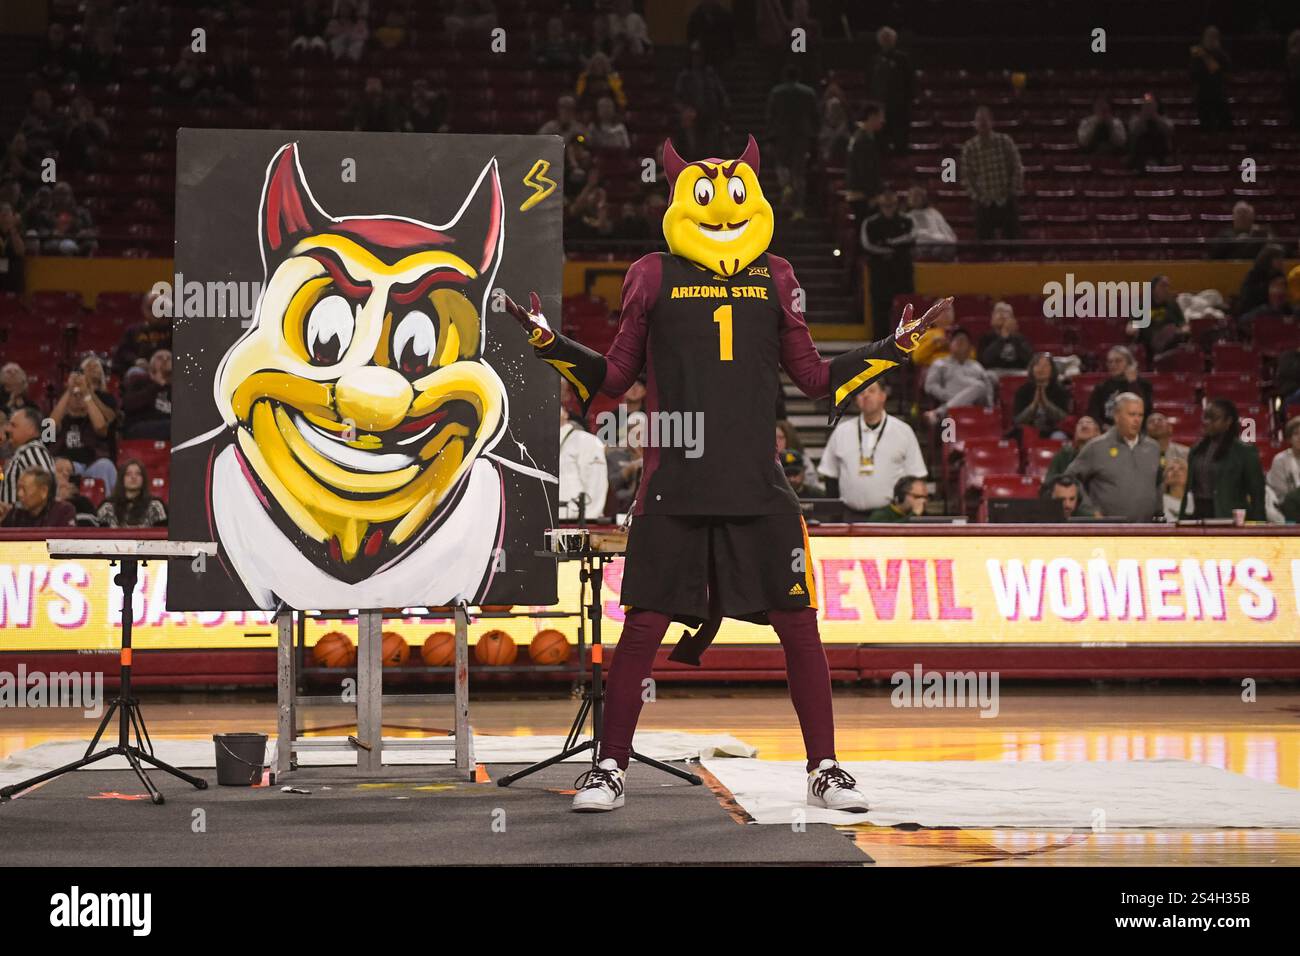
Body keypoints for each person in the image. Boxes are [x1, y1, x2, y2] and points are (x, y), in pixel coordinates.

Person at [504, 135, 947, 814]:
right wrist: (548, 344)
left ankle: (824, 767)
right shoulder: (651, 272)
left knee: (799, 624)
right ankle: (610, 767)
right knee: (644, 626)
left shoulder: (776, 275)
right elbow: (616, 377)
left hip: (756, 486)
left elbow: (817, 379)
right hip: (674, 484)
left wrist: (893, 349)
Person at [819, 381, 927, 518]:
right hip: (850, 515)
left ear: (883, 396)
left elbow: (916, 476)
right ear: (856, 400)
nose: (866, 396)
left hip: (891, 516)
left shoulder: (903, 431)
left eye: (871, 391)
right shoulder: (841, 432)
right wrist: (834, 516)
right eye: (861, 392)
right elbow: (830, 476)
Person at [1065, 392, 1162, 521]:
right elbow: (1069, 479)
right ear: (1116, 416)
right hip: (1108, 532)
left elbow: (1158, 484)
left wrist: (1159, 514)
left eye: (1140, 415)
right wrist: (1089, 511)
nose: (1137, 420)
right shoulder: (1097, 447)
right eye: (1132, 414)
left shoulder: (1153, 448)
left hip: (1145, 530)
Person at [1181, 398, 1266, 521]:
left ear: (1228, 421)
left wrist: (1259, 526)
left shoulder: (1244, 452)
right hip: (1197, 515)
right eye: (1205, 417)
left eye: (1213, 418)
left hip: (1229, 516)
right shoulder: (1196, 449)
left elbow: (1257, 493)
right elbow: (1188, 491)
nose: (1207, 422)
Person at [49, 367, 118, 492]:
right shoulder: (59, 418)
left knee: (106, 466)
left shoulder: (93, 416)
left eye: (81, 395)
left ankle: (106, 507)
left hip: (91, 465)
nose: (78, 398)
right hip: (64, 464)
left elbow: (101, 428)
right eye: (74, 395)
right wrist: (69, 390)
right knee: (56, 465)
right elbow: (48, 429)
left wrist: (87, 393)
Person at [960, 106, 1022, 240]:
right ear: (974, 124)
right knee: (984, 247)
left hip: (1006, 199)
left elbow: (1017, 167)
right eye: (979, 120)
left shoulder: (1005, 141)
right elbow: (966, 177)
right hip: (983, 203)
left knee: (1013, 242)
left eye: (985, 120)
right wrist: (978, 197)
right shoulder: (969, 147)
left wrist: (1011, 192)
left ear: (992, 122)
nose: (982, 123)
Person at [765, 64, 818, 219]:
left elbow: (770, 116)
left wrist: (769, 136)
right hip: (802, 136)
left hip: (781, 135)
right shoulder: (809, 93)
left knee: (781, 165)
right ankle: (799, 209)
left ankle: (786, 186)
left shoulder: (776, 92)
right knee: (799, 173)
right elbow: (815, 115)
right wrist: (814, 135)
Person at [861, 189, 915, 337]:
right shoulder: (871, 223)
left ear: (896, 205)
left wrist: (888, 243)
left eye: (891, 205)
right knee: (880, 311)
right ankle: (879, 344)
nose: (888, 208)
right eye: (885, 205)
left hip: (902, 273)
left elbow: (911, 239)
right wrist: (890, 249)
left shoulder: (907, 221)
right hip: (880, 274)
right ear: (880, 205)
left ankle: (903, 343)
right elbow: (868, 246)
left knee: (905, 311)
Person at [922, 328, 995, 425]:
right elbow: (930, 386)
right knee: (980, 386)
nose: (960, 342)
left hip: (976, 406)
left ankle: (939, 413)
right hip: (951, 400)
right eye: (956, 340)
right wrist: (949, 397)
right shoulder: (940, 364)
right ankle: (943, 412)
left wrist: (990, 407)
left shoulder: (976, 366)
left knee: (983, 383)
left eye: (963, 340)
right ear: (950, 345)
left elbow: (988, 389)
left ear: (970, 347)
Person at [559, 395, 609, 521]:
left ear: (565, 413)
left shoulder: (587, 441)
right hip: (549, 517)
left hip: (575, 520)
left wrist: (588, 520)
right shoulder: (538, 444)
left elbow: (596, 484)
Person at [870, 26, 913, 154]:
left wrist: (907, 102)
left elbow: (910, 82)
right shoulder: (875, 60)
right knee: (880, 144)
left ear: (894, 40)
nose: (886, 41)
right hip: (880, 107)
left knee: (900, 143)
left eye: (888, 38)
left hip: (899, 107)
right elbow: (870, 83)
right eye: (884, 38)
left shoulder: (903, 59)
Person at [1, 407, 55, 507]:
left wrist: (14, 511)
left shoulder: (33, 451)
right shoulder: (26, 451)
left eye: (14, 425)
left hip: (24, 521)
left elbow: (46, 492)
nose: (8, 429)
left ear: (31, 429)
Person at [1087, 345, 1153, 427]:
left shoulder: (1143, 384)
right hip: (1107, 432)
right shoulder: (1101, 387)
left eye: (1118, 361)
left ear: (1129, 364)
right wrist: (1103, 427)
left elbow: (1144, 410)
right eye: (1110, 362)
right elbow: (1092, 414)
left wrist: (1133, 383)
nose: (1113, 365)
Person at [95, 459, 167, 528]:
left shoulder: (155, 506)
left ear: (143, 479)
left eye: (138, 474)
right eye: (128, 474)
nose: (133, 477)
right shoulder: (107, 507)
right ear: (121, 479)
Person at [1013, 352, 1071, 437]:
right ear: (1032, 369)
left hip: (1054, 431)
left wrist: (1046, 403)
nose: (1041, 369)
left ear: (1052, 370)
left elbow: (1064, 419)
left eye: (1045, 365)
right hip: (1028, 432)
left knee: (1059, 436)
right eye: (1038, 365)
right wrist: (1034, 405)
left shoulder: (1060, 391)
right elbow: (1017, 421)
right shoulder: (1023, 390)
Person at [844, 102, 885, 224]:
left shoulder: (860, 136)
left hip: (859, 193)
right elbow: (865, 170)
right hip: (862, 195)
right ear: (872, 117)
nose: (883, 121)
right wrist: (872, 195)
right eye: (880, 117)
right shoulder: (863, 139)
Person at [1040, 415, 1101, 494]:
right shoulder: (1063, 454)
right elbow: (1048, 484)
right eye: (1080, 423)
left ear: (1097, 432)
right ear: (1075, 433)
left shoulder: (1104, 456)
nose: (1084, 425)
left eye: (1089, 422)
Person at [122, 348, 172, 439]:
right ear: (151, 364)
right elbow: (128, 405)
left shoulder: (179, 387)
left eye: (169, 358)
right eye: (160, 358)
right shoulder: (139, 380)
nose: (165, 360)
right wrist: (157, 384)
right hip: (141, 425)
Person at [0, 468, 74, 528]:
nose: (19, 494)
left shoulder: (63, 511)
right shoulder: (15, 514)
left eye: (24, 489)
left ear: (43, 491)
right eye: (18, 489)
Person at [1190, 26, 1232, 132]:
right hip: (1203, 94)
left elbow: (1227, 68)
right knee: (1206, 126)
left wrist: (1218, 53)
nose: (1211, 39)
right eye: (1209, 36)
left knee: (1225, 124)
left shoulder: (1220, 53)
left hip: (1218, 93)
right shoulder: (1197, 52)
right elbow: (1194, 74)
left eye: (1214, 36)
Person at [1127, 93, 1174, 170]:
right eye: (1146, 105)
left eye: (1151, 105)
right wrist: (1143, 117)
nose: (1149, 107)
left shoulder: (1165, 120)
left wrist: (1155, 116)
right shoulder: (1135, 120)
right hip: (1139, 157)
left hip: (1160, 156)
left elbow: (1169, 131)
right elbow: (1133, 133)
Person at [1238, 245, 1287, 315]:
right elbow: (1248, 298)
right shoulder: (1254, 274)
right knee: (1266, 310)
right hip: (1251, 310)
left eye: (1282, 258)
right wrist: (1269, 287)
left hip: (1275, 309)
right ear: (1268, 260)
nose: (1281, 261)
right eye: (1277, 258)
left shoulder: (1280, 276)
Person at [906, 186, 956, 256]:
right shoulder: (906, 216)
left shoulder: (934, 213)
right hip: (917, 247)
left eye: (917, 195)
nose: (915, 198)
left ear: (923, 198)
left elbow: (947, 234)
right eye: (912, 196)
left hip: (936, 245)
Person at [1161, 456, 1191, 522]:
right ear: (1165, 478)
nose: (1176, 470)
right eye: (1171, 469)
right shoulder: (1160, 501)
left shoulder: (1193, 500)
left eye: (1181, 468)